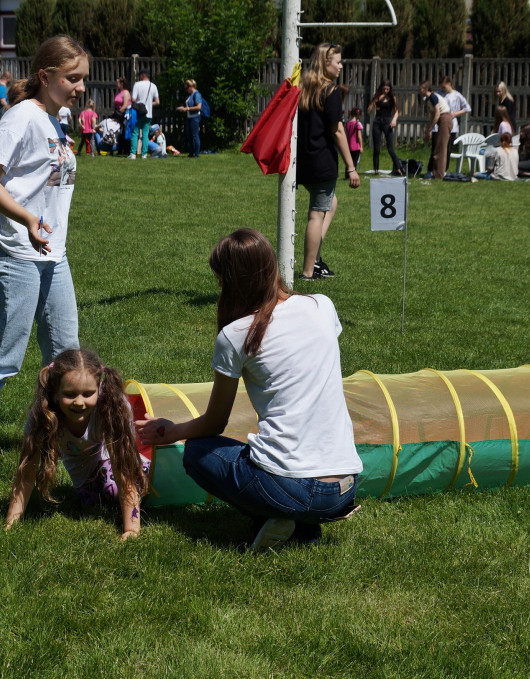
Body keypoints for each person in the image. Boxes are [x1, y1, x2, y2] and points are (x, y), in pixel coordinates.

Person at [136, 229, 362, 551]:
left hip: (290, 488)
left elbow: (214, 424)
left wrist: (172, 432)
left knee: (198, 453)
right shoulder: (322, 305)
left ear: (231, 282)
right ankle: (302, 526)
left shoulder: (235, 334)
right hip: (346, 488)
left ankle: (277, 516)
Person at [0, 35, 89, 475]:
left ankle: (65, 439)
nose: (80, 87)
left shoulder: (58, 119)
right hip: (16, 252)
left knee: (68, 356)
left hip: (55, 256)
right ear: (45, 76)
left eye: (83, 79)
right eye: (72, 78)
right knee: (4, 355)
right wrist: (27, 220)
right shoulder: (22, 117)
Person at [4, 349, 148, 539]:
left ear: (99, 388)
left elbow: (123, 470)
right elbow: (27, 473)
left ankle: (155, 479)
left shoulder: (111, 407)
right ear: (55, 393)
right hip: (85, 477)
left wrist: (131, 529)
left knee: (115, 487)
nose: (79, 402)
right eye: (70, 394)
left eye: (88, 394)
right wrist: (10, 524)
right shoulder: (44, 414)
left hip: (114, 465)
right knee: (93, 502)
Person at [296, 42, 360, 281]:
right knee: (316, 214)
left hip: (303, 162)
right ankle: (308, 272)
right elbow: (338, 131)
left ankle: (315, 260)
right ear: (326, 63)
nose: (341, 66)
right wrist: (351, 167)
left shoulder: (303, 88)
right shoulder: (330, 91)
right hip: (322, 161)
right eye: (338, 62)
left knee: (330, 204)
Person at [426, 76, 469, 172]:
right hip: (438, 125)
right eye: (441, 87)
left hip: (451, 124)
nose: (443, 89)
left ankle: (443, 169)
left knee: (447, 149)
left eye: (444, 87)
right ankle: (431, 169)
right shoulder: (437, 93)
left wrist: (455, 113)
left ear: (450, 84)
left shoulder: (457, 95)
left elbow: (467, 108)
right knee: (435, 148)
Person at [366, 79, 403, 175]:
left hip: (388, 121)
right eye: (384, 89)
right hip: (377, 121)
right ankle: (376, 169)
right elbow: (369, 110)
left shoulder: (392, 98)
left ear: (390, 89)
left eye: (387, 89)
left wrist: (394, 120)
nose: (385, 91)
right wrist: (373, 103)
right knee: (377, 147)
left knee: (390, 148)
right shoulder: (377, 97)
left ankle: (398, 168)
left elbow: (396, 111)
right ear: (381, 88)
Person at [419, 80, 452, 180]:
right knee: (437, 147)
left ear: (425, 89)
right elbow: (432, 115)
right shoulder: (428, 99)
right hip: (440, 120)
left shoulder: (433, 97)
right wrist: (429, 131)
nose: (418, 91)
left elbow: (437, 113)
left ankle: (439, 175)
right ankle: (434, 172)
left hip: (445, 119)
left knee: (441, 148)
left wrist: (431, 128)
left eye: (420, 89)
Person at [129, 69, 159, 159]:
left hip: (138, 113)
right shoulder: (153, 86)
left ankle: (133, 154)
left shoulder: (137, 85)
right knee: (145, 134)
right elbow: (157, 102)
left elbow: (133, 99)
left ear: (142, 75)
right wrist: (149, 103)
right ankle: (144, 154)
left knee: (135, 132)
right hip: (148, 113)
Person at [177, 79, 202, 158]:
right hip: (189, 117)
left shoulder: (196, 94)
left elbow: (198, 107)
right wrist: (184, 108)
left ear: (191, 87)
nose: (186, 90)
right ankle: (191, 153)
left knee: (195, 135)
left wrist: (187, 109)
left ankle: (197, 154)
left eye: (187, 88)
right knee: (189, 135)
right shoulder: (189, 95)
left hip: (195, 117)